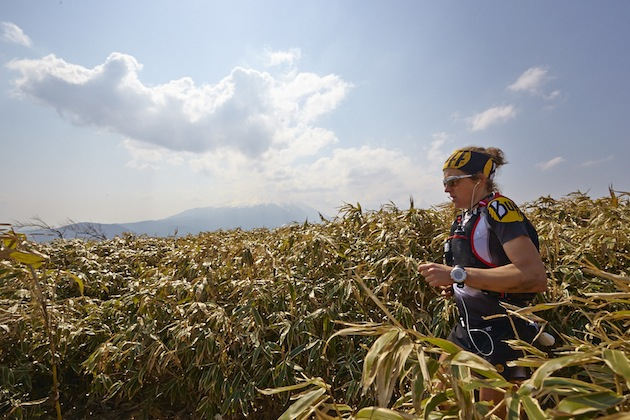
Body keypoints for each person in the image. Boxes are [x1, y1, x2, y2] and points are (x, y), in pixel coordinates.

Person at [418, 146, 547, 416]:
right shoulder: (464, 218)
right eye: (444, 182)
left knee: (494, 413)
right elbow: (480, 270)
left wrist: (458, 275)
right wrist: (455, 287)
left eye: (453, 182)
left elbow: (534, 277)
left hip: (503, 333)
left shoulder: (500, 210)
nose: (446, 189)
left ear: (480, 179)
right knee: (439, 398)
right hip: (467, 328)